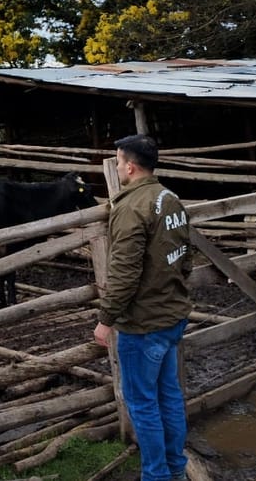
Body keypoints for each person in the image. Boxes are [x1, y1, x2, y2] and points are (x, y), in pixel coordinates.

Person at [93, 134, 192, 481]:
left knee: (143, 404)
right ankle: (176, 469)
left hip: (143, 324)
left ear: (130, 166)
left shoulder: (130, 207)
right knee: (169, 396)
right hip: (172, 315)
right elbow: (184, 256)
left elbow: (124, 271)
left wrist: (106, 319)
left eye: (119, 161)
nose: (118, 166)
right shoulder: (170, 198)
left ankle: (157, 476)